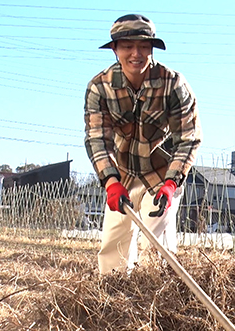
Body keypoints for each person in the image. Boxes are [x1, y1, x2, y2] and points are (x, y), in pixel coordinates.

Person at [84, 14, 202, 274]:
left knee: (155, 247)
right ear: (115, 49)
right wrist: (110, 182)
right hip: (121, 175)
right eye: (127, 46)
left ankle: (159, 304)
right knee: (113, 249)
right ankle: (114, 303)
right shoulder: (99, 87)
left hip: (161, 174)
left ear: (151, 48)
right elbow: (97, 138)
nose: (135, 53)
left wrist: (172, 184)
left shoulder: (173, 84)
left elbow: (188, 137)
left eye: (143, 46)